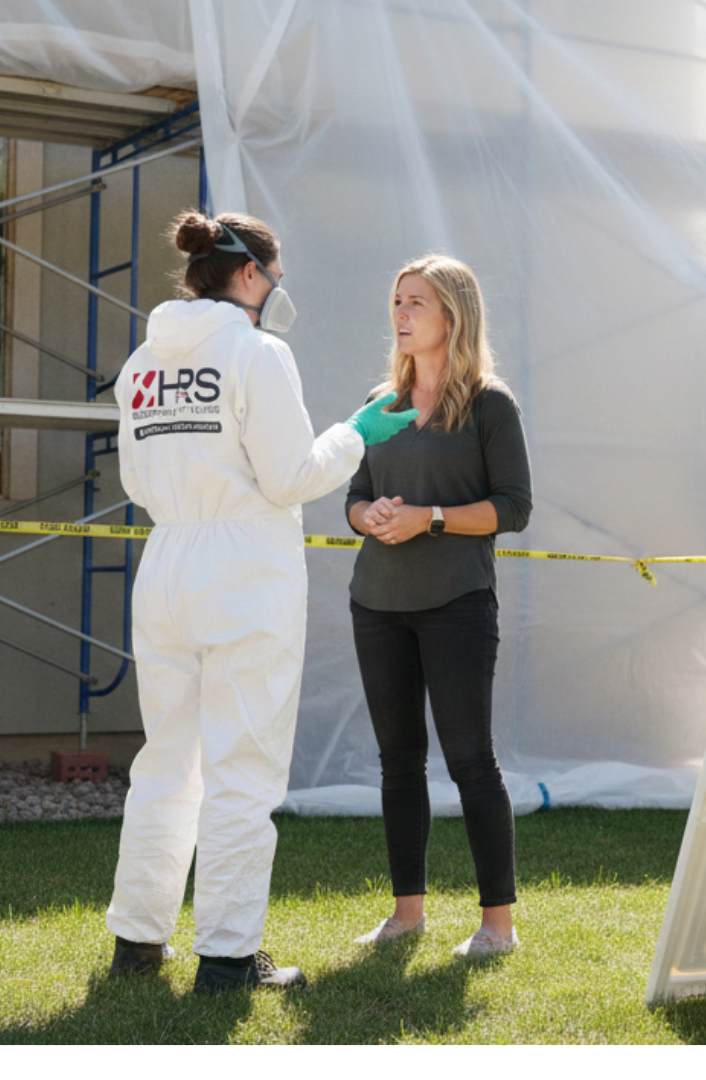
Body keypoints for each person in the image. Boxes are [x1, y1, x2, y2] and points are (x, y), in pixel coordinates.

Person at [105, 210, 416, 993]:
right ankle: (229, 959)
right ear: (250, 275)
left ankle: (138, 942)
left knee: (167, 763)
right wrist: (355, 435)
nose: (278, 293)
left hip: (168, 561)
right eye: (275, 279)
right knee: (243, 769)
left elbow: (137, 483)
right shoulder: (259, 354)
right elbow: (289, 478)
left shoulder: (141, 363)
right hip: (244, 570)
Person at [346, 254, 532, 957]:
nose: (400, 314)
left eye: (415, 303)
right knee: (398, 762)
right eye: (396, 301)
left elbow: (514, 508)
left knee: (471, 763)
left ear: (452, 316)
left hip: (456, 604)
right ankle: (406, 915)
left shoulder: (490, 404)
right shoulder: (378, 405)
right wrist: (369, 517)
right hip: (377, 602)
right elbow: (352, 495)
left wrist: (430, 518)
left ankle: (497, 927)